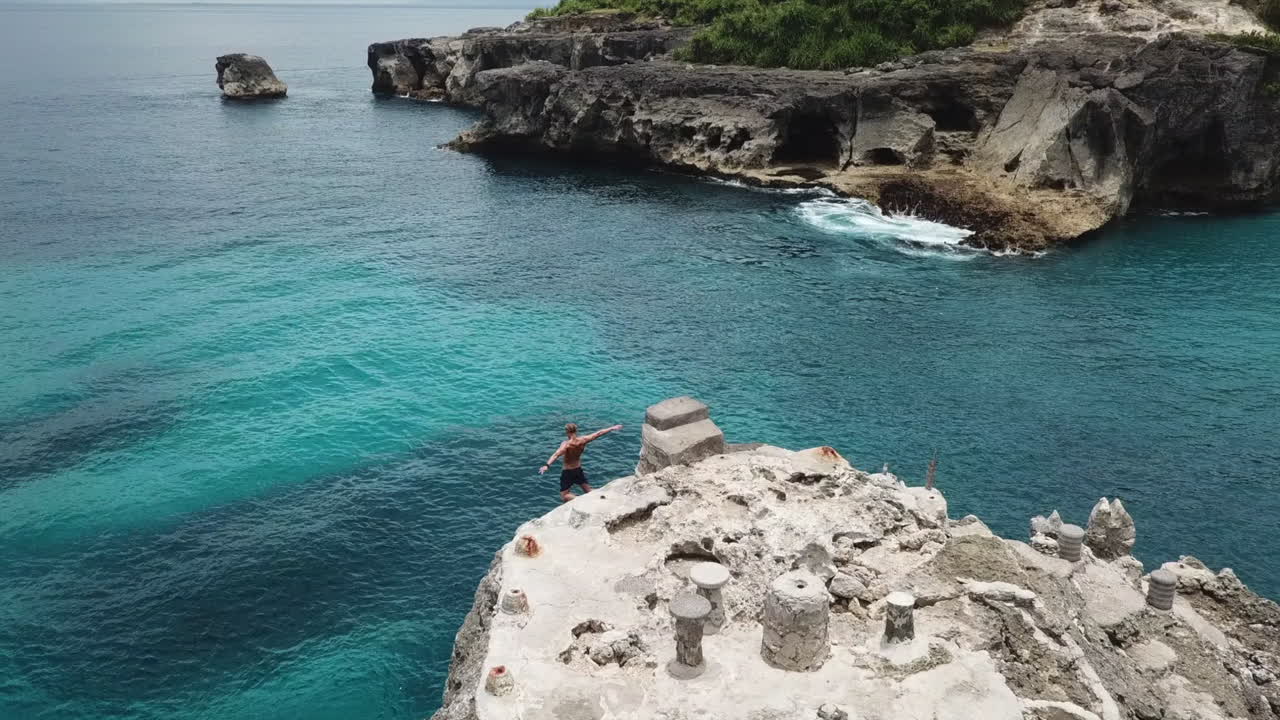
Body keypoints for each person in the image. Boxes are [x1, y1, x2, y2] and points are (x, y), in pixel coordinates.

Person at [539, 422, 623, 502]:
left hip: (568, 471)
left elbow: (556, 455)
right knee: (588, 490)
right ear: (576, 431)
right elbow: (599, 433)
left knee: (565, 495)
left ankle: (580, 500)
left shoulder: (566, 444)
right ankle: (600, 496)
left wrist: (547, 465)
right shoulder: (583, 440)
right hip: (578, 469)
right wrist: (612, 428)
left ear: (567, 432)